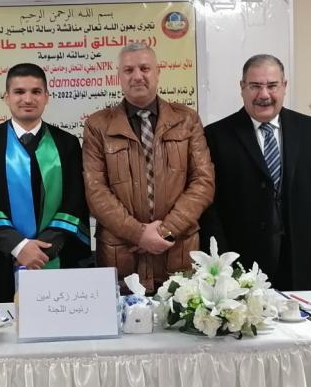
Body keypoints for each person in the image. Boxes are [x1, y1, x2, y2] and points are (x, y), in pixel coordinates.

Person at [83, 42, 214, 294]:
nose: (137, 76)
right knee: (123, 317)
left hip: (177, 252)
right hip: (121, 256)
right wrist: (139, 234)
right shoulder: (98, 125)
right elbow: (95, 190)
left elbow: (203, 182)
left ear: (158, 72)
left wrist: (164, 231)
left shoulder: (186, 119)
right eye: (128, 70)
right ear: (119, 76)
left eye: (144, 68)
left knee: (180, 317)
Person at [201, 54, 311, 289]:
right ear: (242, 87)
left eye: (272, 85)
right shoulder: (216, 135)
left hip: (300, 256)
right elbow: (210, 204)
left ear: (284, 86)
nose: (264, 95)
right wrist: (219, 258)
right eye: (255, 86)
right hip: (241, 261)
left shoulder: (310, 129)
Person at [0, 63, 92, 302]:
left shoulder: (67, 144)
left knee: (60, 314)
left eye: (36, 92)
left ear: (46, 97)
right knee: (5, 319)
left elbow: (75, 199)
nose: (28, 99)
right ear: (6, 97)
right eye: (19, 92)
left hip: (55, 253)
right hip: (4, 256)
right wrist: (18, 246)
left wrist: (44, 247)